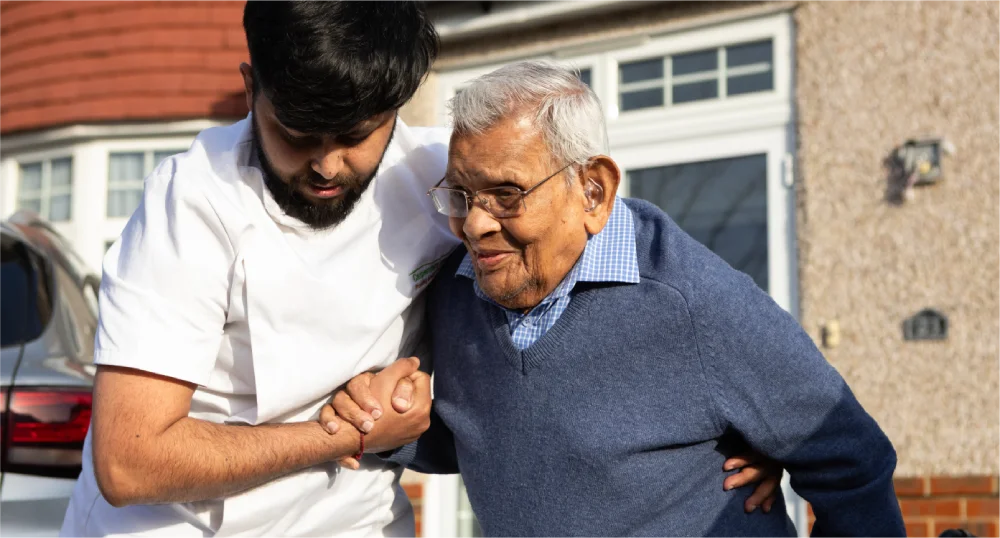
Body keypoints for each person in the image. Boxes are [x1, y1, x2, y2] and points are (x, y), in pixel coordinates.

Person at [59, 3, 777, 537]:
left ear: (397, 109)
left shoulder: (439, 175)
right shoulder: (192, 197)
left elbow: (611, 242)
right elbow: (132, 462)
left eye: (357, 135)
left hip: (354, 521)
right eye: (296, 134)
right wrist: (348, 435)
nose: (328, 165)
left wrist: (729, 415)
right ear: (251, 86)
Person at [327, 61, 907, 537]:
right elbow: (498, 444)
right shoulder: (461, 290)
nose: (475, 224)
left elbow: (850, 461)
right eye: (460, 195)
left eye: (506, 194)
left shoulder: (693, 303)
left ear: (593, 191)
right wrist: (396, 428)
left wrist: (774, 440)